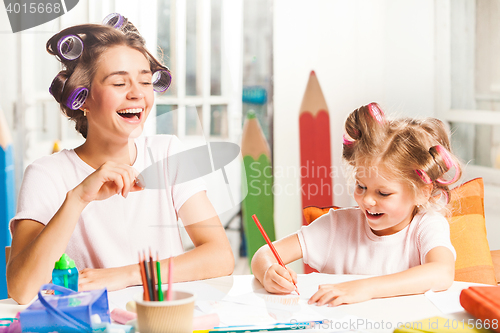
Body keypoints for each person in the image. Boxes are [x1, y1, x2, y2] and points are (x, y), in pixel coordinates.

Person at [7, 14, 234, 305]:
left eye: (144, 80)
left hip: (162, 317)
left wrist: (127, 274)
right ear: (83, 98)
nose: (137, 94)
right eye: (119, 83)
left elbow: (220, 256)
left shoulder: (167, 153)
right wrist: (78, 198)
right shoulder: (46, 174)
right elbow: (22, 289)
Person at [252, 102, 461, 306]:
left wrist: (365, 288)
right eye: (361, 187)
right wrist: (269, 272)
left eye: (383, 193)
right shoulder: (336, 227)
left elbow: (441, 272)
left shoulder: (426, 226)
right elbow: (264, 254)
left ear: (422, 193)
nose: (368, 200)